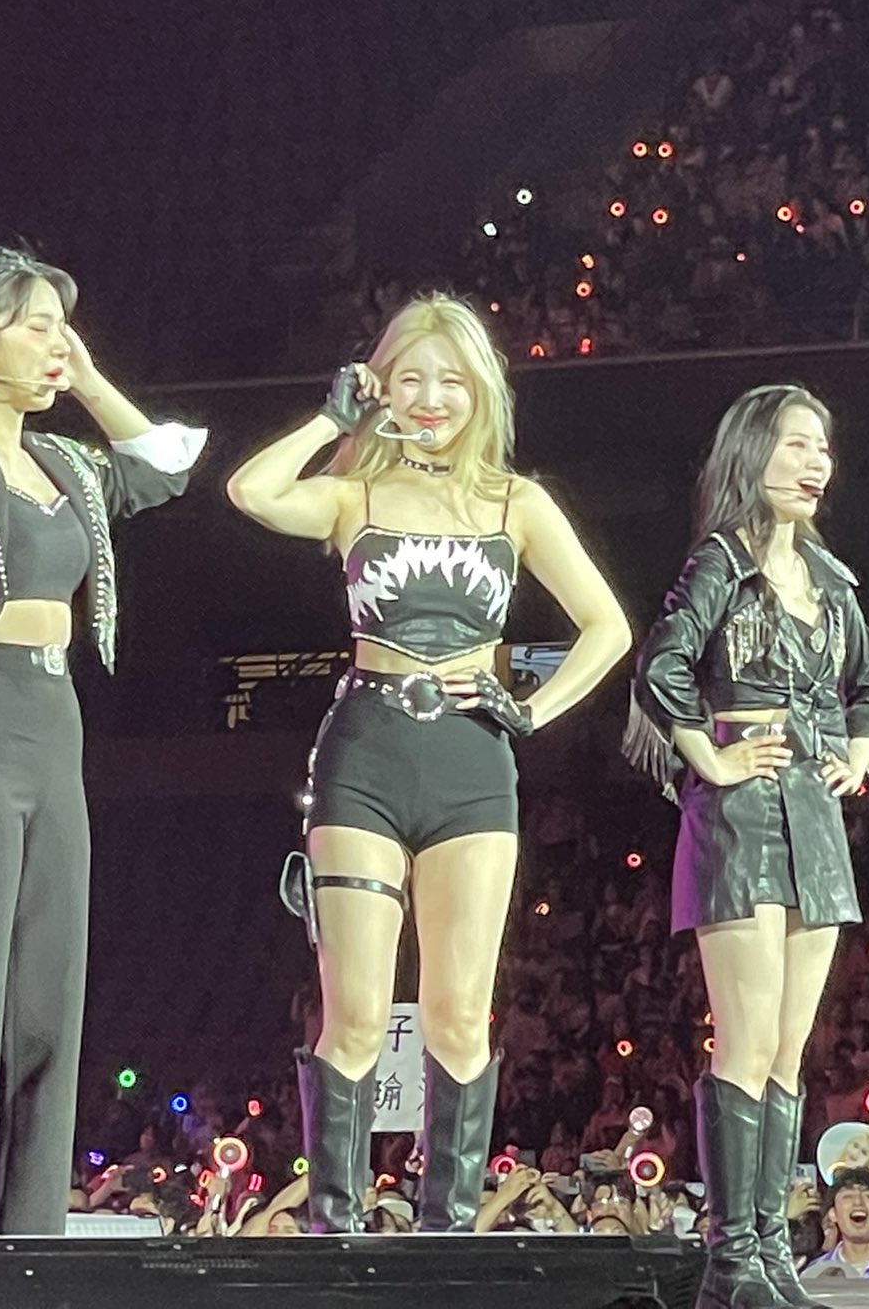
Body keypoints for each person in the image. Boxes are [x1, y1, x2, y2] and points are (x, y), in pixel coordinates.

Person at [227, 294, 630, 1235]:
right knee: (355, 1017)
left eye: (451, 379)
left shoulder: (516, 502)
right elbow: (251, 491)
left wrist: (529, 709)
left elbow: (607, 627)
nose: (431, 397)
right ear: (380, 386)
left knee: (457, 1015)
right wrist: (330, 423)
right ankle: (336, 1232)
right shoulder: (355, 494)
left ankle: (447, 1234)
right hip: (364, 758)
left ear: (481, 390)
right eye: (409, 378)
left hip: (471, 766)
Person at [0, 246, 204, 1235]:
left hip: (55, 718)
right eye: (39, 325)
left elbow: (164, 470)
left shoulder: (65, 464)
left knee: (50, 979)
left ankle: (29, 1225)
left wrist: (88, 379)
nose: (60, 343)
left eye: (66, 325)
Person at [629, 384, 869, 1308]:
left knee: (788, 1053)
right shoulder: (720, 562)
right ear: (751, 455)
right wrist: (712, 756)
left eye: (823, 447)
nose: (816, 463)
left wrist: (856, 757)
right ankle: (731, 1257)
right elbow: (660, 666)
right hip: (740, 818)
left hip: (813, 822)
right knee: (743, 1047)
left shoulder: (828, 576)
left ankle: (772, 1250)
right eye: (795, 446)